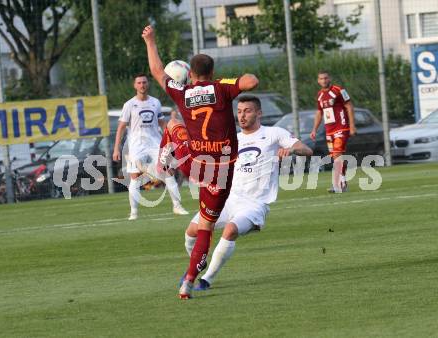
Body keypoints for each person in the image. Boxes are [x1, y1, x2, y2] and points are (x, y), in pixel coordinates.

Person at [142, 25, 259, 299]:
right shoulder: (221, 88)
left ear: (190, 74)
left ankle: (166, 161)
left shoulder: (182, 93)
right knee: (206, 226)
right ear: (212, 72)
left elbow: (158, 71)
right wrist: (229, 82)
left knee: (172, 125)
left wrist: (150, 41)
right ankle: (189, 281)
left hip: (194, 164)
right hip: (220, 173)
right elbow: (251, 81)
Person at [182, 95, 313, 291]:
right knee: (192, 231)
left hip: (254, 203)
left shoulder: (274, 133)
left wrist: (292, 150)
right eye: (240, 111)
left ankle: (206, 280)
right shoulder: (232, 138)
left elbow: (306, 149)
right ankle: (200, 263)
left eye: (248, 111)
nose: (242, 116)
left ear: (259, 113)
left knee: (230, 230)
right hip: (227, 199)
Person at [112, 73, 189, 220]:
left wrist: (174, 135)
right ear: (135, 86)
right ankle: (133, 212)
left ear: (148, 84)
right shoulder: (129, 105)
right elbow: (121, 127)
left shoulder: (155, 102)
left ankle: (177, 207)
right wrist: (116, 148)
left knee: (168, 172)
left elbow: (161, 123)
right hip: (136, 146)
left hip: (155, 144)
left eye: (144, 82)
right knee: (135, 177)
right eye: (139, 83)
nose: (142, 85)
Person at [310, 70, 356, 193]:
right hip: (329, 130)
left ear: (329, 78)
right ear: (318, 81)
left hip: (342, 127)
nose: (324, 80)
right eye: (321, 79)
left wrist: (352, 126)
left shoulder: (339, 90)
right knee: (336, 157)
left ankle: (339, 185)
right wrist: (314, 129)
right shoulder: (319, 94)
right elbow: (319, 112)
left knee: (337, 154)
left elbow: (349, 106)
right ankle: (341, 183)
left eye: (325, 78)